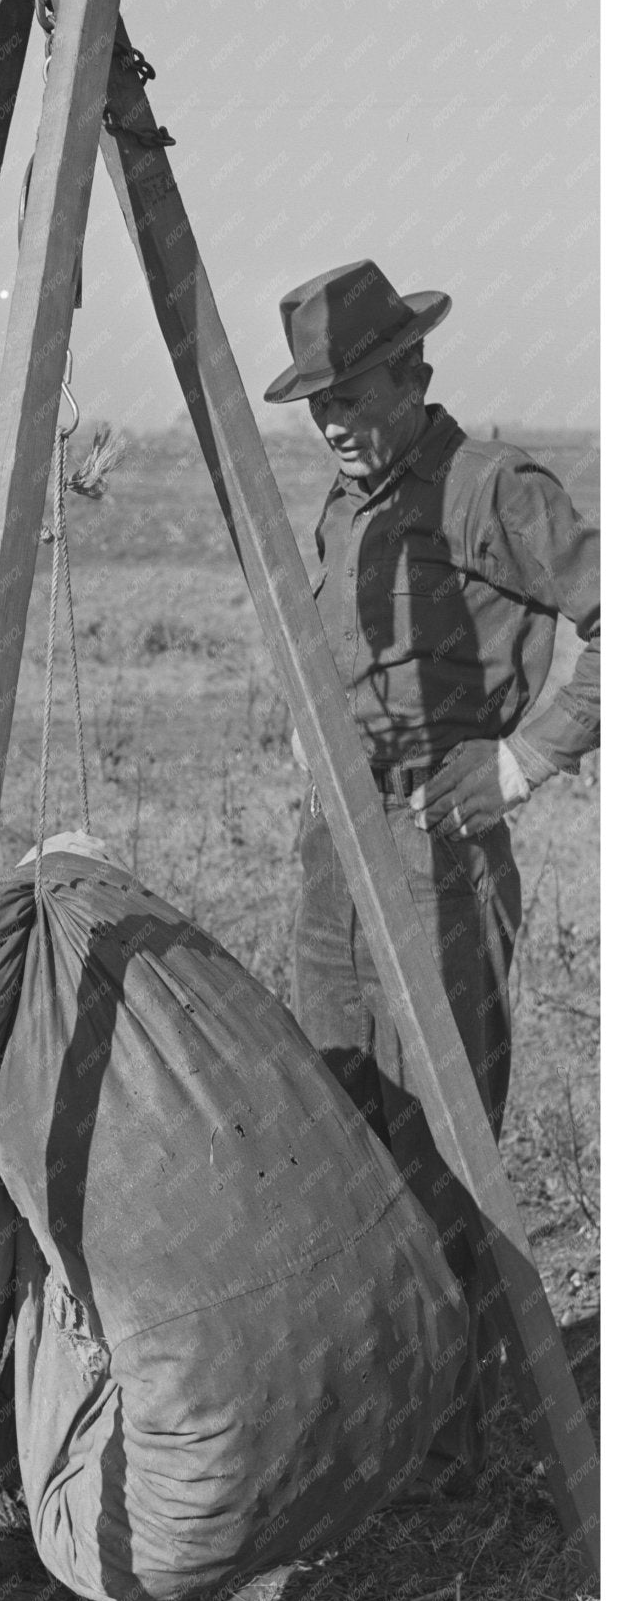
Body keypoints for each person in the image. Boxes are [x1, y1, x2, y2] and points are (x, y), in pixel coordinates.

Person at [263, 259, 599, 1500]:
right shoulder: (349, 503)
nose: (338, 423)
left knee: (442, 1126)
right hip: (336, 850)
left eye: (355, 393)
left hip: (440, 847)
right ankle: (377, 1394)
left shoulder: (492, 487)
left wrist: (522, 762)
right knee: (341, 1110)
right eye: (319, 405)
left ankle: (452, 1431)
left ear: (415, 372)